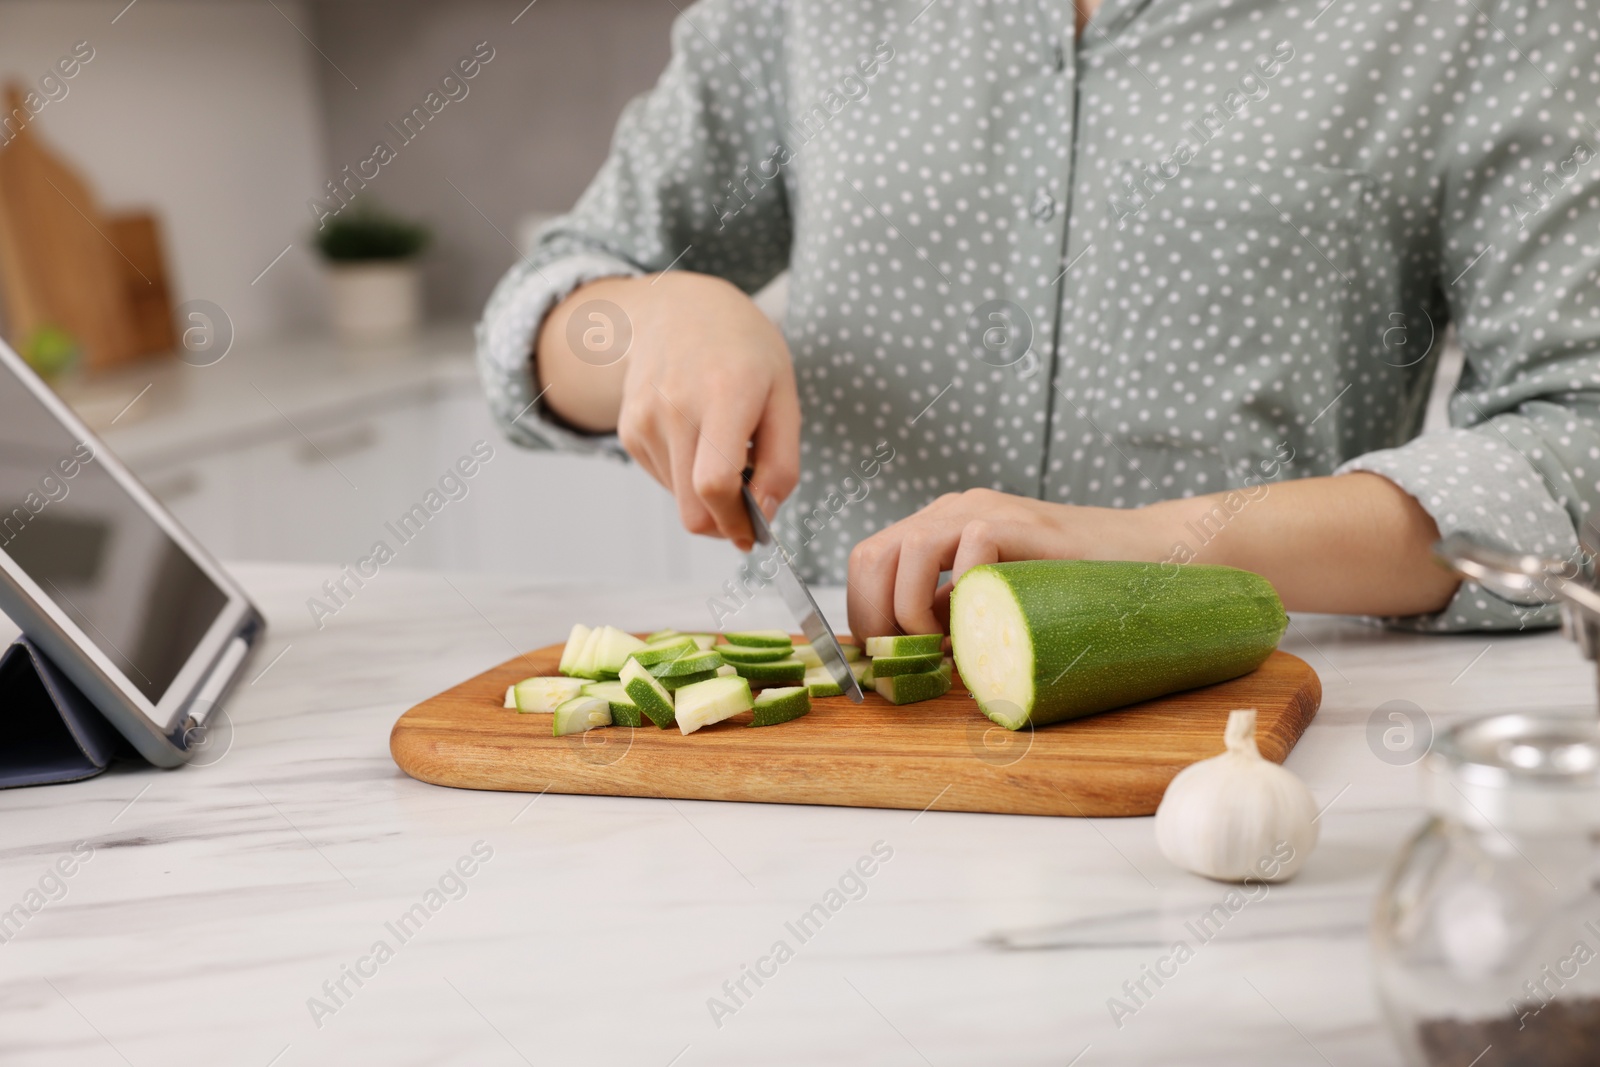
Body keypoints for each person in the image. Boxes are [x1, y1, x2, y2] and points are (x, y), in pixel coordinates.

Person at [478, 0, 1600, 640]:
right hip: (831, 739)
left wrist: (1158, 548)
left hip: (1254, 740)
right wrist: (655, 318)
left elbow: (1575, 445)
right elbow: (543, 322)